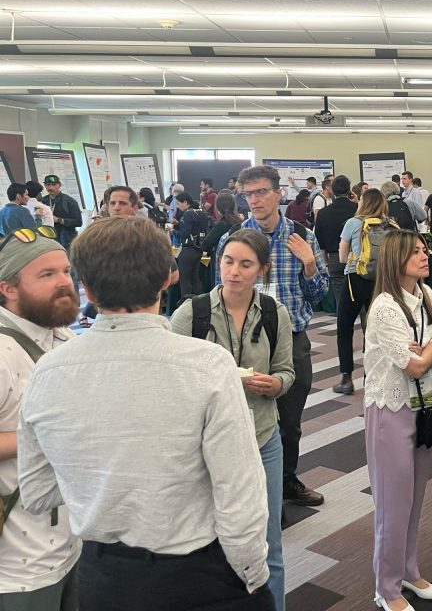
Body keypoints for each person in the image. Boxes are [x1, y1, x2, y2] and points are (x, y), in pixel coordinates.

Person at [18, 217, 273, 611]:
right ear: (166, 279)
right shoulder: (207, 365)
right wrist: (254, 577)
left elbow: (36, 493)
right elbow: (238, 494)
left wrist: (104, 479)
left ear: (84, 286)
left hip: (103, 575)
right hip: (201, 574)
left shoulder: (48, 371)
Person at [172, 229, 294, 611]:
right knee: (210, 538)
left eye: (245, 264)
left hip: (262, 437)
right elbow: (173, 384)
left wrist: (275, 384)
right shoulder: (191, 314)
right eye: (228, 261)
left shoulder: (275, 313)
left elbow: (287, 371)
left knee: (267, 539)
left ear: (262, 270)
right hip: (207, 444)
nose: (234, 272)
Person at [220, 165, 329, 510]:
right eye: (247, 194)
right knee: (244, 419)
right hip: (245, 341)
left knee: (290, 419)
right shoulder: (233, 239)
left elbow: (319, 296)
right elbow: (220, 293)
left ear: (278, 193)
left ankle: (285, 481)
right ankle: (255, 492)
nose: (254, 200)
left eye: (260, 192)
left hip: (291, 340)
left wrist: (310, 266)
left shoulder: (302, 236)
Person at [362, 231, 432, 611]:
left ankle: (409, 570)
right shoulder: (384, 307)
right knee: (392, 504)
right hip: (390, 411)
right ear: (396, 259)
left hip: (423, 407)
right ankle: (386, 587)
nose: (424, 255)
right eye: (415, 252)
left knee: (414, 500)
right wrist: (430, 349)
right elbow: (414, 365)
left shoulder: (426, 295)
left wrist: (428, 347)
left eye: (424, 249)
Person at [0, 227, 80, 607]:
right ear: (8, 288)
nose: (65, 283)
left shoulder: (65, 338)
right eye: (47, 275)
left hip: (70, 546)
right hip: (16, 569)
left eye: (65, 271)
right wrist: (45, 433)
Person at [335, 189, 394, 396]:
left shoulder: (353, 223)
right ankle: (371, 375)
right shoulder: (390, 224)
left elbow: (342, 257)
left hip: (355, 279)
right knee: (373, 329)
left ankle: (346, 378)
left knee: (345, 328)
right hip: (381, 281)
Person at [314, 175, 358, 303]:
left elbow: (320, 242)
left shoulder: (323, 213)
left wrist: (326, 262)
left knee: (340, 299)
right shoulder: (357, 209)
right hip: (357, 256)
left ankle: (342, 321)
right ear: (349, 189)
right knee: (358, 296)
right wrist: (357, 201)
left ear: (332, 190)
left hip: (334, 257)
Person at [174, 191, 211, 298]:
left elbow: (184, 234)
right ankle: (199, 302)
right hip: (198, 248)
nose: (178, 206)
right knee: (195, 278)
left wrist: (174, 230)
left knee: (184, 279)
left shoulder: (188, 214)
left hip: (188, 248)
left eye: (178, 203)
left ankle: (185, 305)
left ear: (185, 202)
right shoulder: (200, 211)